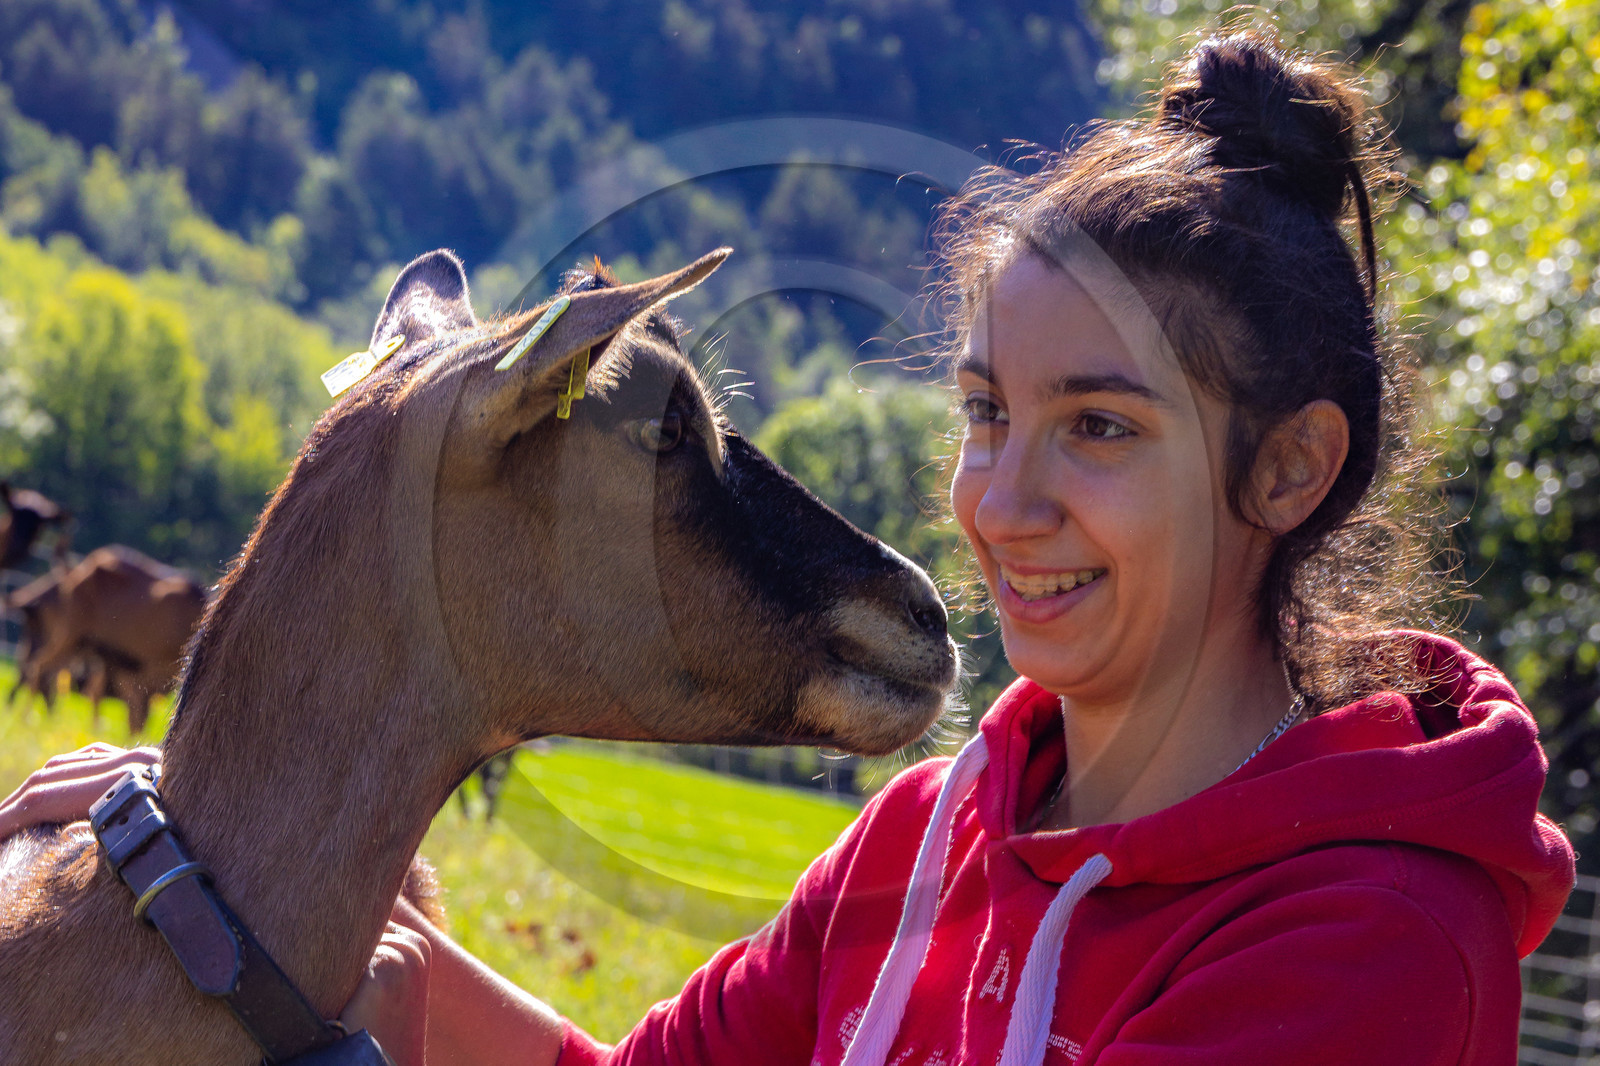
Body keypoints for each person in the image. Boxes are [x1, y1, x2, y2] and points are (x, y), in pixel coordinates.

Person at [0, 26, 1576, 1066]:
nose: (998, 502)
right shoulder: (917, 847)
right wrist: (292, 909)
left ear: (1289, 468)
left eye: (1099, 426)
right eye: (984, 414)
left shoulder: (1368, 944)